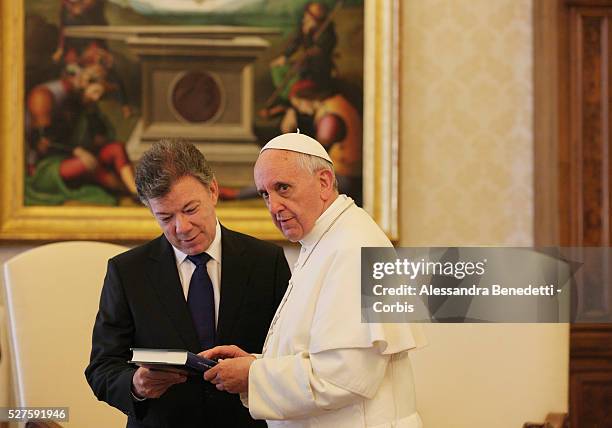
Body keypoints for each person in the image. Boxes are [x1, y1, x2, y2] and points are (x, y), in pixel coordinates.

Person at [202, 133, 424, 427]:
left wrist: (252, 377)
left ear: (324, 182)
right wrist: (258, 364)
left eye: (283, 188)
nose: (274, 206)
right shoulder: (325, 239)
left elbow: (342, 377)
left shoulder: (352, 247)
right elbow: (314, 352)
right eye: (265, 194)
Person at [85, 139, 291, 427]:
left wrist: (254, 369)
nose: (181, 227)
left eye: (190, 209)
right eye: (166, 217)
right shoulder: (127, 271)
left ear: (213, 191)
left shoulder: (266, 262)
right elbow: (102, 367)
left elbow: (289, 357)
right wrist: (136, 384)